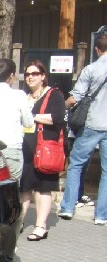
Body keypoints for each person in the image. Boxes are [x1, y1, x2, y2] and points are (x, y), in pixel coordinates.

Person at [59, 33, 107, 225]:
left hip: (91, 123)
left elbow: (75, 97)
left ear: (97, 49)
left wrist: (62, 106)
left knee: (76, 164)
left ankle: (68, 207)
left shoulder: (91, 69)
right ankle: (101, 215)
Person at [20, 59, 66, 241]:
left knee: (43, 188)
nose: (30, 77)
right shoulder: (23, 96)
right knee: (24, 188)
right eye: (27, 74)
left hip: (45, 148)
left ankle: (41, 226)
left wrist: (32, 116)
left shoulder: (53, 95)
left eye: (34, 74)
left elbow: (57, 118)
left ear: (43, 76)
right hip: (26, 148)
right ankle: (19, 222)